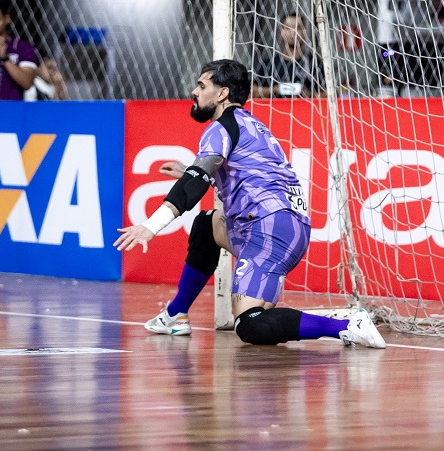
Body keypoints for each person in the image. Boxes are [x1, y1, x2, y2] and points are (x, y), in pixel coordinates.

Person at [115, 59, 385, 349]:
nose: (194, 91)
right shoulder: (249, 124)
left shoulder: (221, 128)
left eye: (202, 85)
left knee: (250, 324)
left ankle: (347, 326)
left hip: (268, 228)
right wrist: (189, 171)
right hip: (276, 223)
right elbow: (244, 174)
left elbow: (197, 178)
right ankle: (175, 314)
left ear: (222, 94)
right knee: (206, 226)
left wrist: (150, 226)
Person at [252, 13, 325, 99]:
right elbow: (252, 91)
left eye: (297, 28)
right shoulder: (268, 64)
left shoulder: (314, 64)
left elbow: (328, 94)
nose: (292, 32)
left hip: (304, 110)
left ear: (304, 32)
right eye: (288, 27)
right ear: (281, 32)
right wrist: (276, 89)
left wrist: (309, 94)